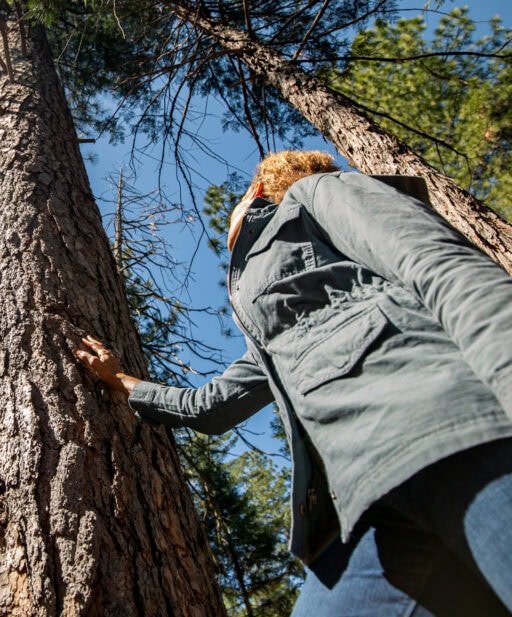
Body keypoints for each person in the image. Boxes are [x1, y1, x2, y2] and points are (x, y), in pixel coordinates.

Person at [76, 151, 512, 616]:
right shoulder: (262, 311)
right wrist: (121, 381)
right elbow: (214, 405)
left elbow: (441, 265)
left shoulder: (319, 192)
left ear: (258, 192)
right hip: (365, 503)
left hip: (451, 429)